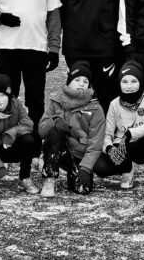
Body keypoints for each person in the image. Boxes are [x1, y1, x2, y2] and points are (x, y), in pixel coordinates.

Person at [94, 60, 144, 199]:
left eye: (134, 81)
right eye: (124, 81)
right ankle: (127, 168)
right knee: (100, 167)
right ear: (119, 83)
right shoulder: (114, 104)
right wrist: (109, 148)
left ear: (140, 82)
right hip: (122, 147)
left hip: (141, 145)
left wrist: (131, 133)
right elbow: (107, 134)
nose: (129, 86)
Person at [37, 61, 105, 197]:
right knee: (54, 132)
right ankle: (49, 177)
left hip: (80, 155)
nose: (81, 84)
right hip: (59, 149)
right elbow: (42, 131)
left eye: (85, 81)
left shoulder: (95, 108)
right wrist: (54, 121)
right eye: (77, 80)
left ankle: (74, 173)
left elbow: (96, 142)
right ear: (69, 82)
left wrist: (86, 167)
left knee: (82, 190)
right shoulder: (56, 101)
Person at [0, 74, 40, 194]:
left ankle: (24, 177)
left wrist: (10, 134)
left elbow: (28, 124)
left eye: (2, 95)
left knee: (29, 140)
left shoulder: (16, 104)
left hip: (10, 145)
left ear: (9, 95)